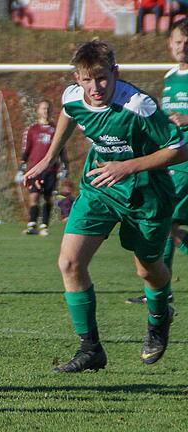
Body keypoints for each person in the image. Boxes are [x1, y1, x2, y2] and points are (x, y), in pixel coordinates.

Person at [24, 40, 187, 373]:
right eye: (87, 80)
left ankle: (159, 317)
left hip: (146, 193)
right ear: (76, 77)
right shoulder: (72, 96)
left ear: (115, 73)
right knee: (69, 262)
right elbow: (69, 114)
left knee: (148, 270)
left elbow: (180, 148)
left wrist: (127, 166)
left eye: (102, 78)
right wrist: (48, 159)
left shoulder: (138, 105)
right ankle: (91, 349)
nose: (95, 87)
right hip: (99, 187)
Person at [127, 18, 188, 305]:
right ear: (170, 44)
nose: (183, 47)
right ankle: (159, 285)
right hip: (171, 156)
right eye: (178, 41)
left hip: (185, 160)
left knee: (165, 218)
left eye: (187, 42)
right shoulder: (170, 76)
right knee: (169, 221)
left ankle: (159, 288)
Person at [17, 100, 68, 236]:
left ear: (51, 111)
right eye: (43, 108)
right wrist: (22, 165)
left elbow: (61, 148)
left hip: (51, 169)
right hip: (34, 169)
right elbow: (26, 148)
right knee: (34, 195)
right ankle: (32, 224)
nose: (45, 111)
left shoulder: (55, 129)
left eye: (48, 109)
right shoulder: (32, 129)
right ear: (38, 111)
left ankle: (44, 225)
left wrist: (64, 166)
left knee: (48, 197)